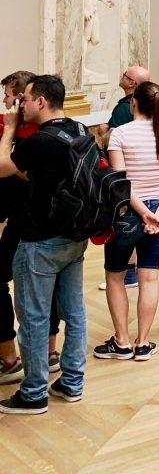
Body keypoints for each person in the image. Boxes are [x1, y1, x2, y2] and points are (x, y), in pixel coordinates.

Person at [0, 75, 88, 414]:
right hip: (74, 237)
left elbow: (4, 167)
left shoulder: (39, 141)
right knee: (74, 311)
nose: (22, 104)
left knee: (34, 317)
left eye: (26, 99)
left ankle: (34, 392)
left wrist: (9, 128)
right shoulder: (79, 131)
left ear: (40, 101)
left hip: (39, 240)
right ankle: (71, 382)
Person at [97, 82, 159, 361]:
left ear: (134, 102)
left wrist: (142, 211)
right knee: (149, 276)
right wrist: (157, 214)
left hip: (127, 214)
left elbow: (120, 181)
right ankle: (143, 343)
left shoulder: (119, 134)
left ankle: (121, 342)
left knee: (115, 276)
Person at [0, 70, 39, 386]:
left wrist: (9, 130)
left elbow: (6, 170)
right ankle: (47, 357)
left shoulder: (26, 136)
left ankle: (11, 358)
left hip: (28, 225)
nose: (5, 103)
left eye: (8, 97)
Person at [100, 64, 150, 291]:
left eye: (125, 75)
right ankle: (134, 271)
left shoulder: (123, 109)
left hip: (128, 179)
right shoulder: (156, 115)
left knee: (125, 228)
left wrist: (103, 133)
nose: (121, 76)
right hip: (150, 183)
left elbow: (113, 143)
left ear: (132, 85)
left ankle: (128, 273)